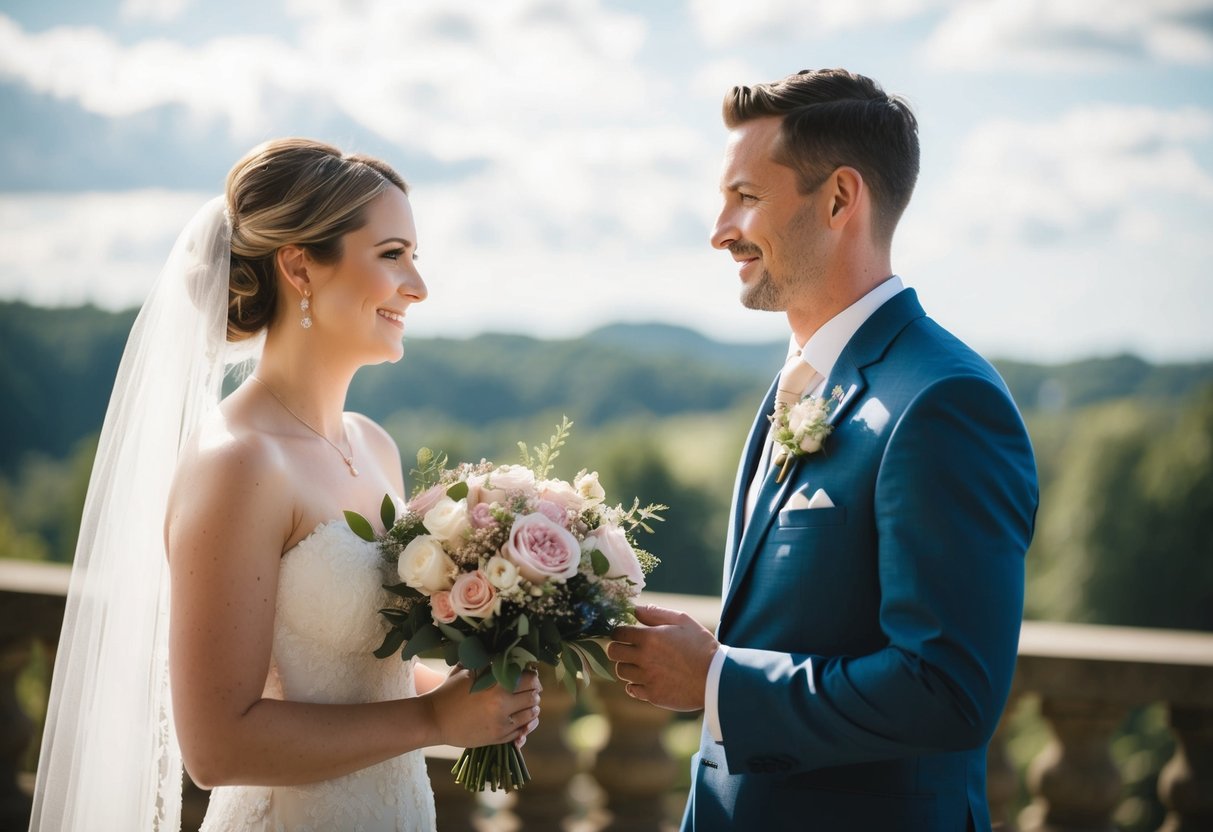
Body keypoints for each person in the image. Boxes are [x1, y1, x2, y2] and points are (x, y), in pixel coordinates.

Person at [30, 138, 541, 832]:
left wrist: (471, 695)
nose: (417, 285)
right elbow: (217, 746)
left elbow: (356, 675)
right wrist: (429, 719)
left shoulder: (372, 445)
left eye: (414, 256)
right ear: (299, 266)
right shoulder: (239, 462)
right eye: (392, 254)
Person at [609, 69, 1038, 831]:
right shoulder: (800, 382)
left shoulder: (942, 401)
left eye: (745, 197)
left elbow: (947, 692)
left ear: (839, 199)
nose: (718, 228)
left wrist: (716, 681)